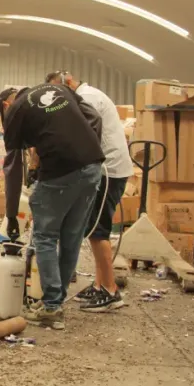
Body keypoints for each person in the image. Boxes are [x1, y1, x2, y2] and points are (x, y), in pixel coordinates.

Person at [0, 83, 104, 329]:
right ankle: (56, 302)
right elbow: (94, 117)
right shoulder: (58, 89)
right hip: (92, 168)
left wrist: (12, 214)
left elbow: (13, 169)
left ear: (6, 105)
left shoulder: (15, 111)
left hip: (60, 173)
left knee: (44, 237)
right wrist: (84, 154)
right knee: (71, 238)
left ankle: (52, 306)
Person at [45, 70, 132, 312]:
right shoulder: (86, 96)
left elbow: (82, 136)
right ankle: (100, 284)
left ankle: (111, 291)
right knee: (93, 228)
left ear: (68, 81)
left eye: (60, 90)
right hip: (105, 169)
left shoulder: (88, 99)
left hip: (108, 171)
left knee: (98, 231)